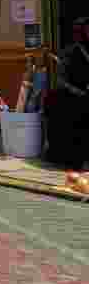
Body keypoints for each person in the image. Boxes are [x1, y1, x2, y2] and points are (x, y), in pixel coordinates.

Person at [44, 17, 89, 170]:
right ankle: (75, 160)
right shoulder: (69, 52)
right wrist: (78, 91)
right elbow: (61, 80)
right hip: (71, 97)